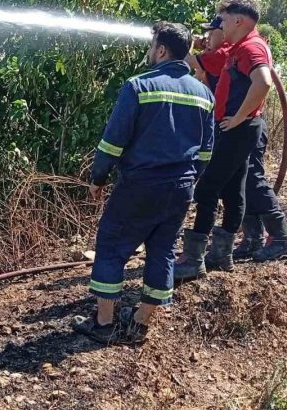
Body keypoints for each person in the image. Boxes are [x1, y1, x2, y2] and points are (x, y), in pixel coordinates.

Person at [72, 22, 214, 344]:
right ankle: (139, 324)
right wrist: (188, 181)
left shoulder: (138, 86)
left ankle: (104, 324)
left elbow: (112, 142)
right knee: (163, 250)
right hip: (181, 188)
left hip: (140, 185)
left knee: (111, 246)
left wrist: (98, 178)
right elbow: (206, 151)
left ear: (161, 50)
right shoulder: (204, 94)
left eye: (152, 46)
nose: (150, 51)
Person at [175, 0, 287, 282]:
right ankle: (224, 254)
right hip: (239, 128)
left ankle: (194, 259)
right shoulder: (237, 49)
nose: (222, 25)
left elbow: (264, 82)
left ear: (238, 21)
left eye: (225, 19)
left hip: (239, 128)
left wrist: (241, 116)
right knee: (234, 189)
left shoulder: (251, 47)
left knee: (207, 189)